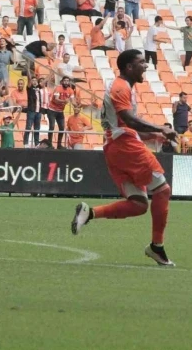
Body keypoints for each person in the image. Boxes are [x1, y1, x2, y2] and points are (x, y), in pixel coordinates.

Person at [72, 49, 177, 266]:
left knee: (139, 204)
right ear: (129, 67)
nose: (145, 65)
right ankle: (157, 246)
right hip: (125, 146)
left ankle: (89, 213)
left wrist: (153, 135)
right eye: (141, 62)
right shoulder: (120, 87)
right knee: (162, 190)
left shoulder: (123, 87)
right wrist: (161, 128)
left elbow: (124, 124)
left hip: (116, 147)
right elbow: (129, 120)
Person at [47, 76, 78, 149]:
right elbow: (56, 100)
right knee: (51, 126)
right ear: (62, 82)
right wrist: (64, 101)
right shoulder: (58, 88)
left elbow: (73, 101)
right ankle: (49, 144)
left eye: (67, 81)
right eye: (65, 81)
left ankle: (59, 145)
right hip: (52, 110)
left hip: (60, 111)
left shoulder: (70, 90)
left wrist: (77, 105)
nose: (66, 82)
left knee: (61, 128)